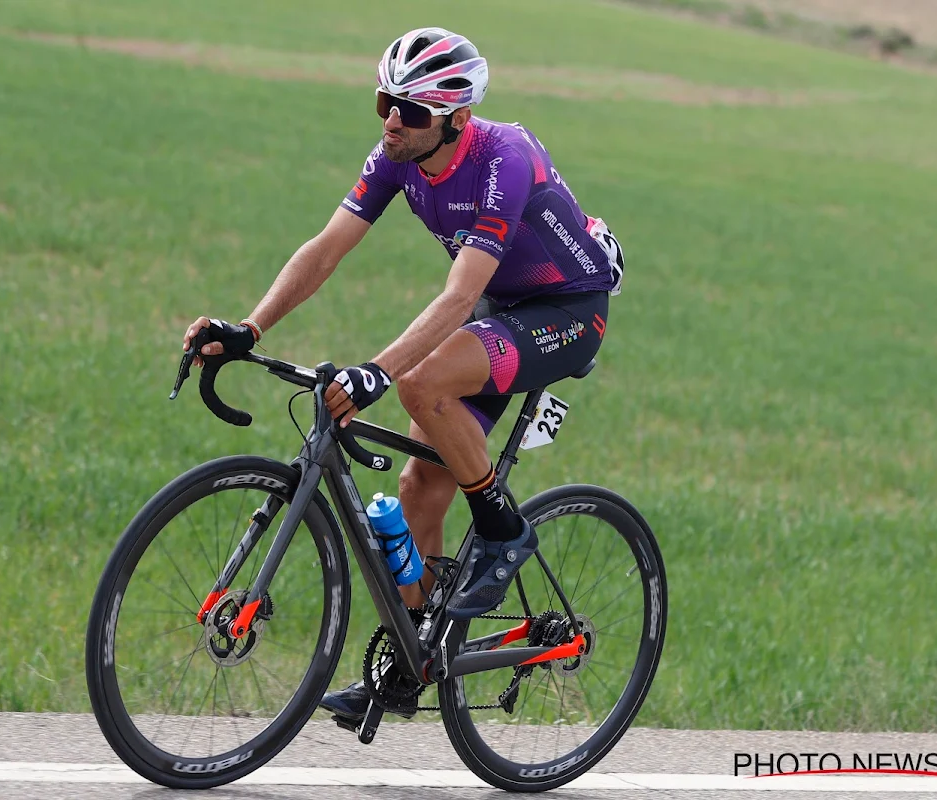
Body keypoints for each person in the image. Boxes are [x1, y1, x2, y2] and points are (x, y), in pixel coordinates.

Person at [183, 27, 625, 725]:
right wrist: (250, 327)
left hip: (566, 309)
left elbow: (456, 297)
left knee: (420, 383)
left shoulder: (502, 157)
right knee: (419, 482)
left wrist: (375, 375)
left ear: (455, 120)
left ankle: (505, 532)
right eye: (386, 101)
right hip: (502, 306)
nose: (393, 120)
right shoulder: (396, 155)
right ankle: (413, 659)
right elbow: (326, 248)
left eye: (412, 111)